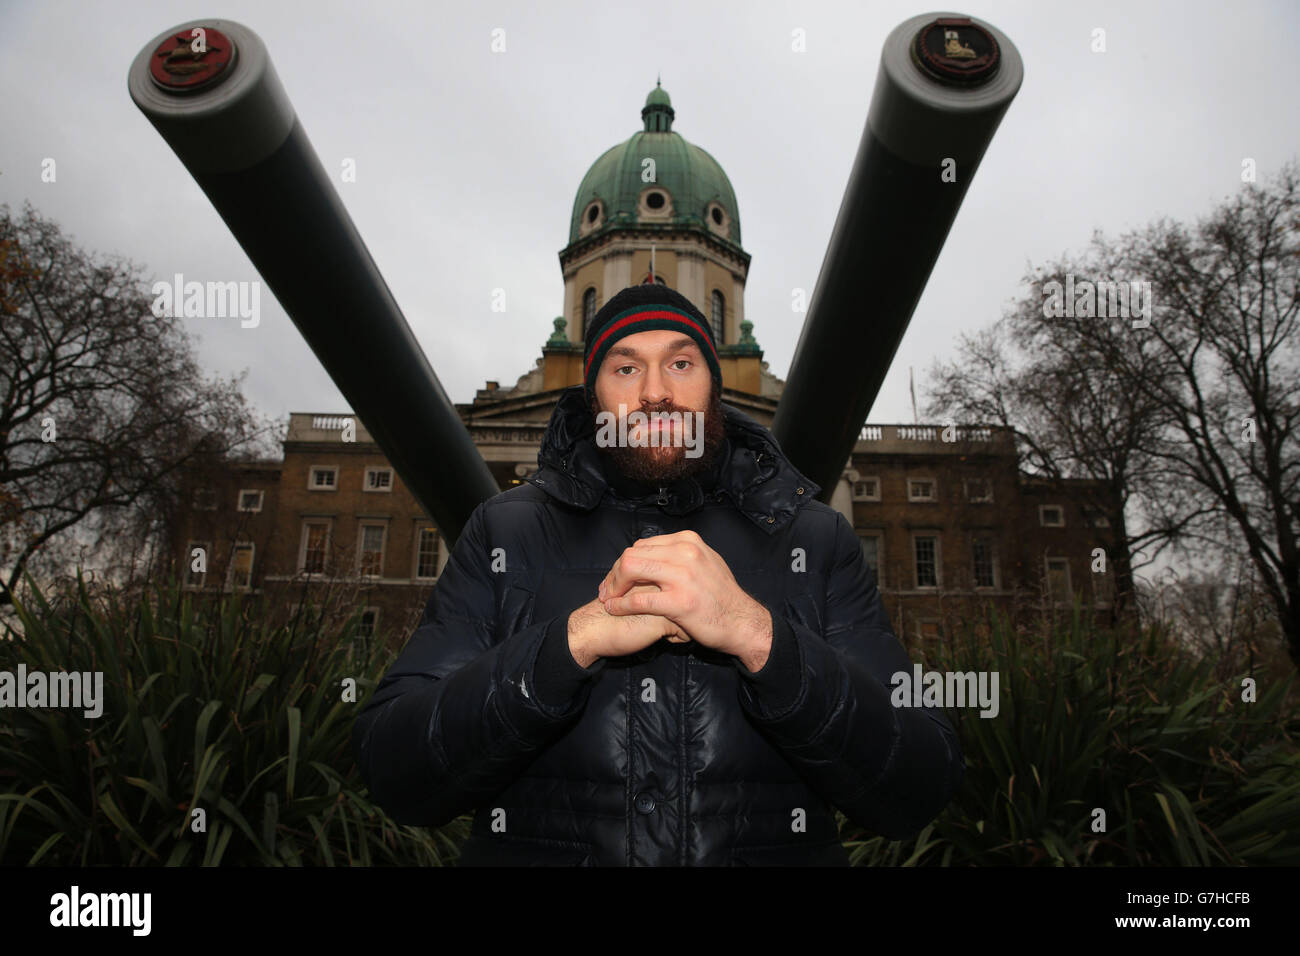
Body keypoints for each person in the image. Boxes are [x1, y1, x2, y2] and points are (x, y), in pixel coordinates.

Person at [351, 283, 964, 865]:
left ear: (714, 386)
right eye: (624, 367)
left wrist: (759, 637)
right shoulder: (502, 531)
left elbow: (918, 784)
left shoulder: (817, 538)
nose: (654, 392)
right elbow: (394, 772)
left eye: (681, 363)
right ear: (593, 397)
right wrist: (565, 647)